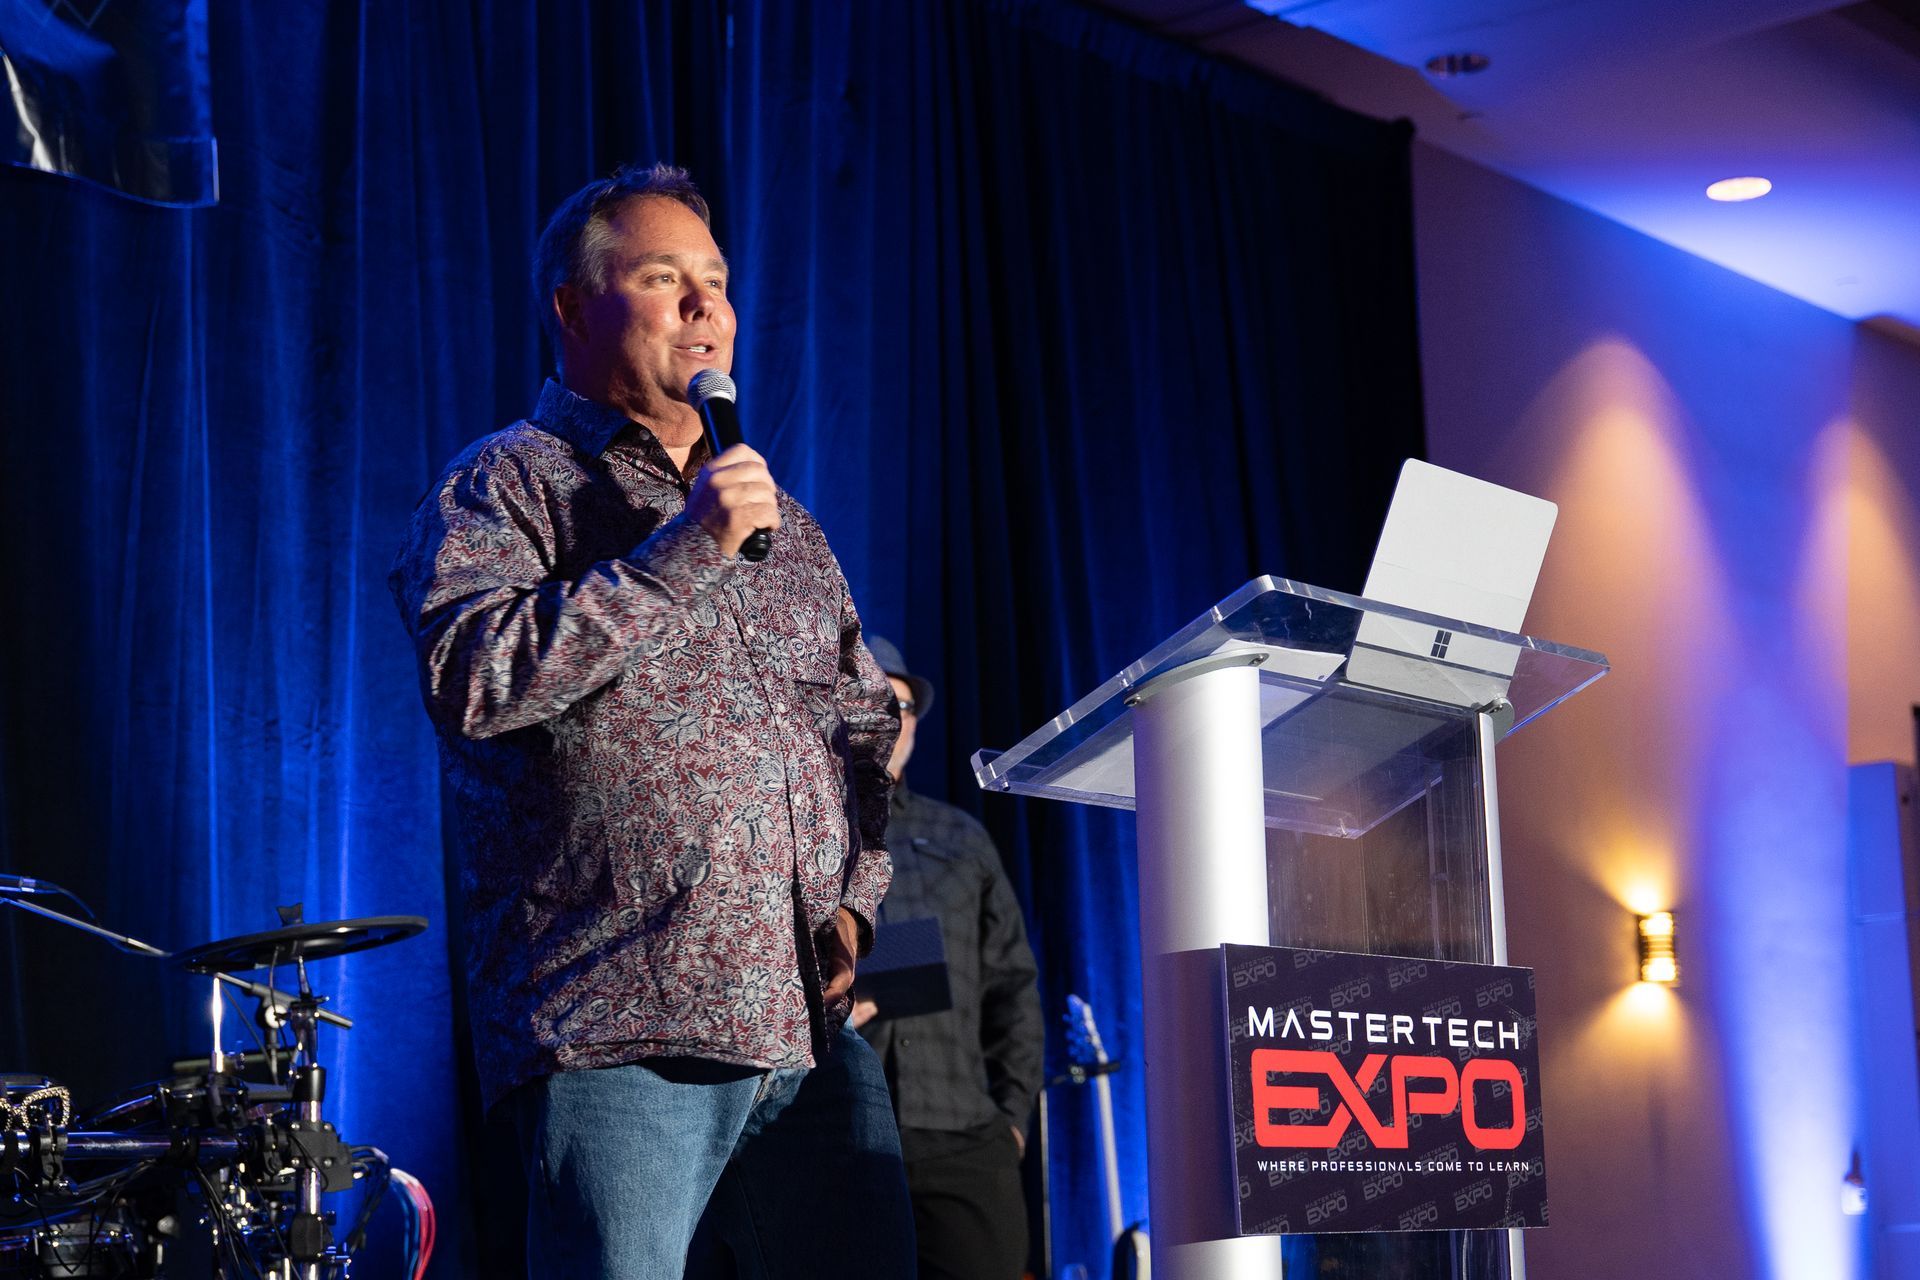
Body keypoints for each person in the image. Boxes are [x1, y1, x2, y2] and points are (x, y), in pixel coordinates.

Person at [390, 162, 912, 1279]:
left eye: (715, 281)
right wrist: (681, 551)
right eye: (663, 276)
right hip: (617, 1021)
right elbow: (475, 677)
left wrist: (856, 910)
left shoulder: (791, 524)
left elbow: (867, 730)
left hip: (806, 1035)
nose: (704, 306)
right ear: (573, 308)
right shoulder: (502, 485)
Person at [852, 637, 1045, 1280]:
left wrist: (1012, 1121)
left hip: (962, 1136)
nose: (889, 718)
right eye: (872, 699)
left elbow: (1013, 984)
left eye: (902, 706)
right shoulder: (795, 828)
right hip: (833, 1133)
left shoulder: (960, 836)